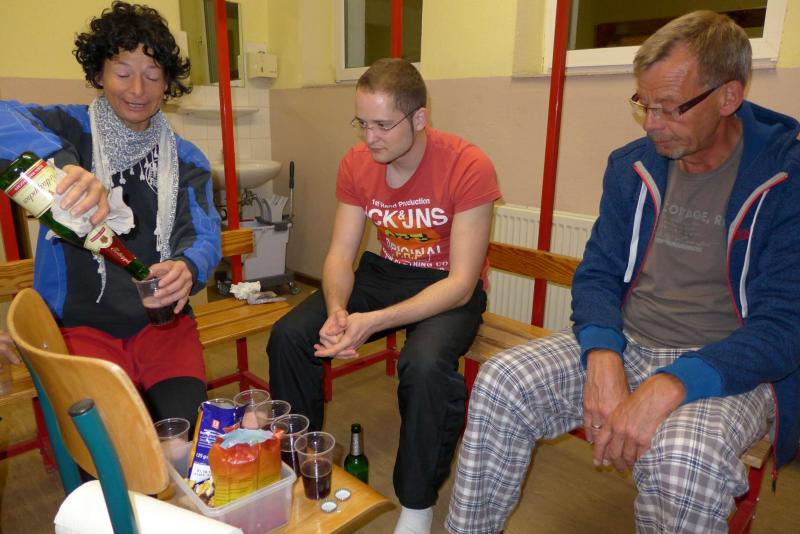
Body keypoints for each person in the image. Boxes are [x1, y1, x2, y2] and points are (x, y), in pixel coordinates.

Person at [446, 10, 800, 534]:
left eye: (670, 107)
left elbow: (786, 326)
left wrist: (671, 384)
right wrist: (603, 353)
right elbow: (598, 273)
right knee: (504, 382)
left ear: (729, 96)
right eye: (643, 104)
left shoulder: (786, 179)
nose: (651, 123)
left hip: (725, 366)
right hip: (629, 340)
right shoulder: (633, 167)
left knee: (683, 463)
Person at [267, 58, 500, 533]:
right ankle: (301, 463)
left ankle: (416, 503)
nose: (369, 138)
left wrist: (372, 321)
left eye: (382, 125)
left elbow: (461, 284)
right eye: (362, 123)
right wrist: (338, 310)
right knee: (290, 335)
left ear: (419, 117)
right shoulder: (357, 163)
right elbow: (340, 254)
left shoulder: (467, 165)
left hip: (447, 286)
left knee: (425, 366)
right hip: (386, 272)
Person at [0, 1, 220, 428]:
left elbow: (204, 234)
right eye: (122, 73)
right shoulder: (67, 128)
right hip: (76, 328)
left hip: (162, 326)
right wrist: (62, 166)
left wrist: (188, 266)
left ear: (167, 84)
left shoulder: (186, 158)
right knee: (107, 449)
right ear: (99, 74)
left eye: (152, 76)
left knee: (183, 439)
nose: (138, 89)